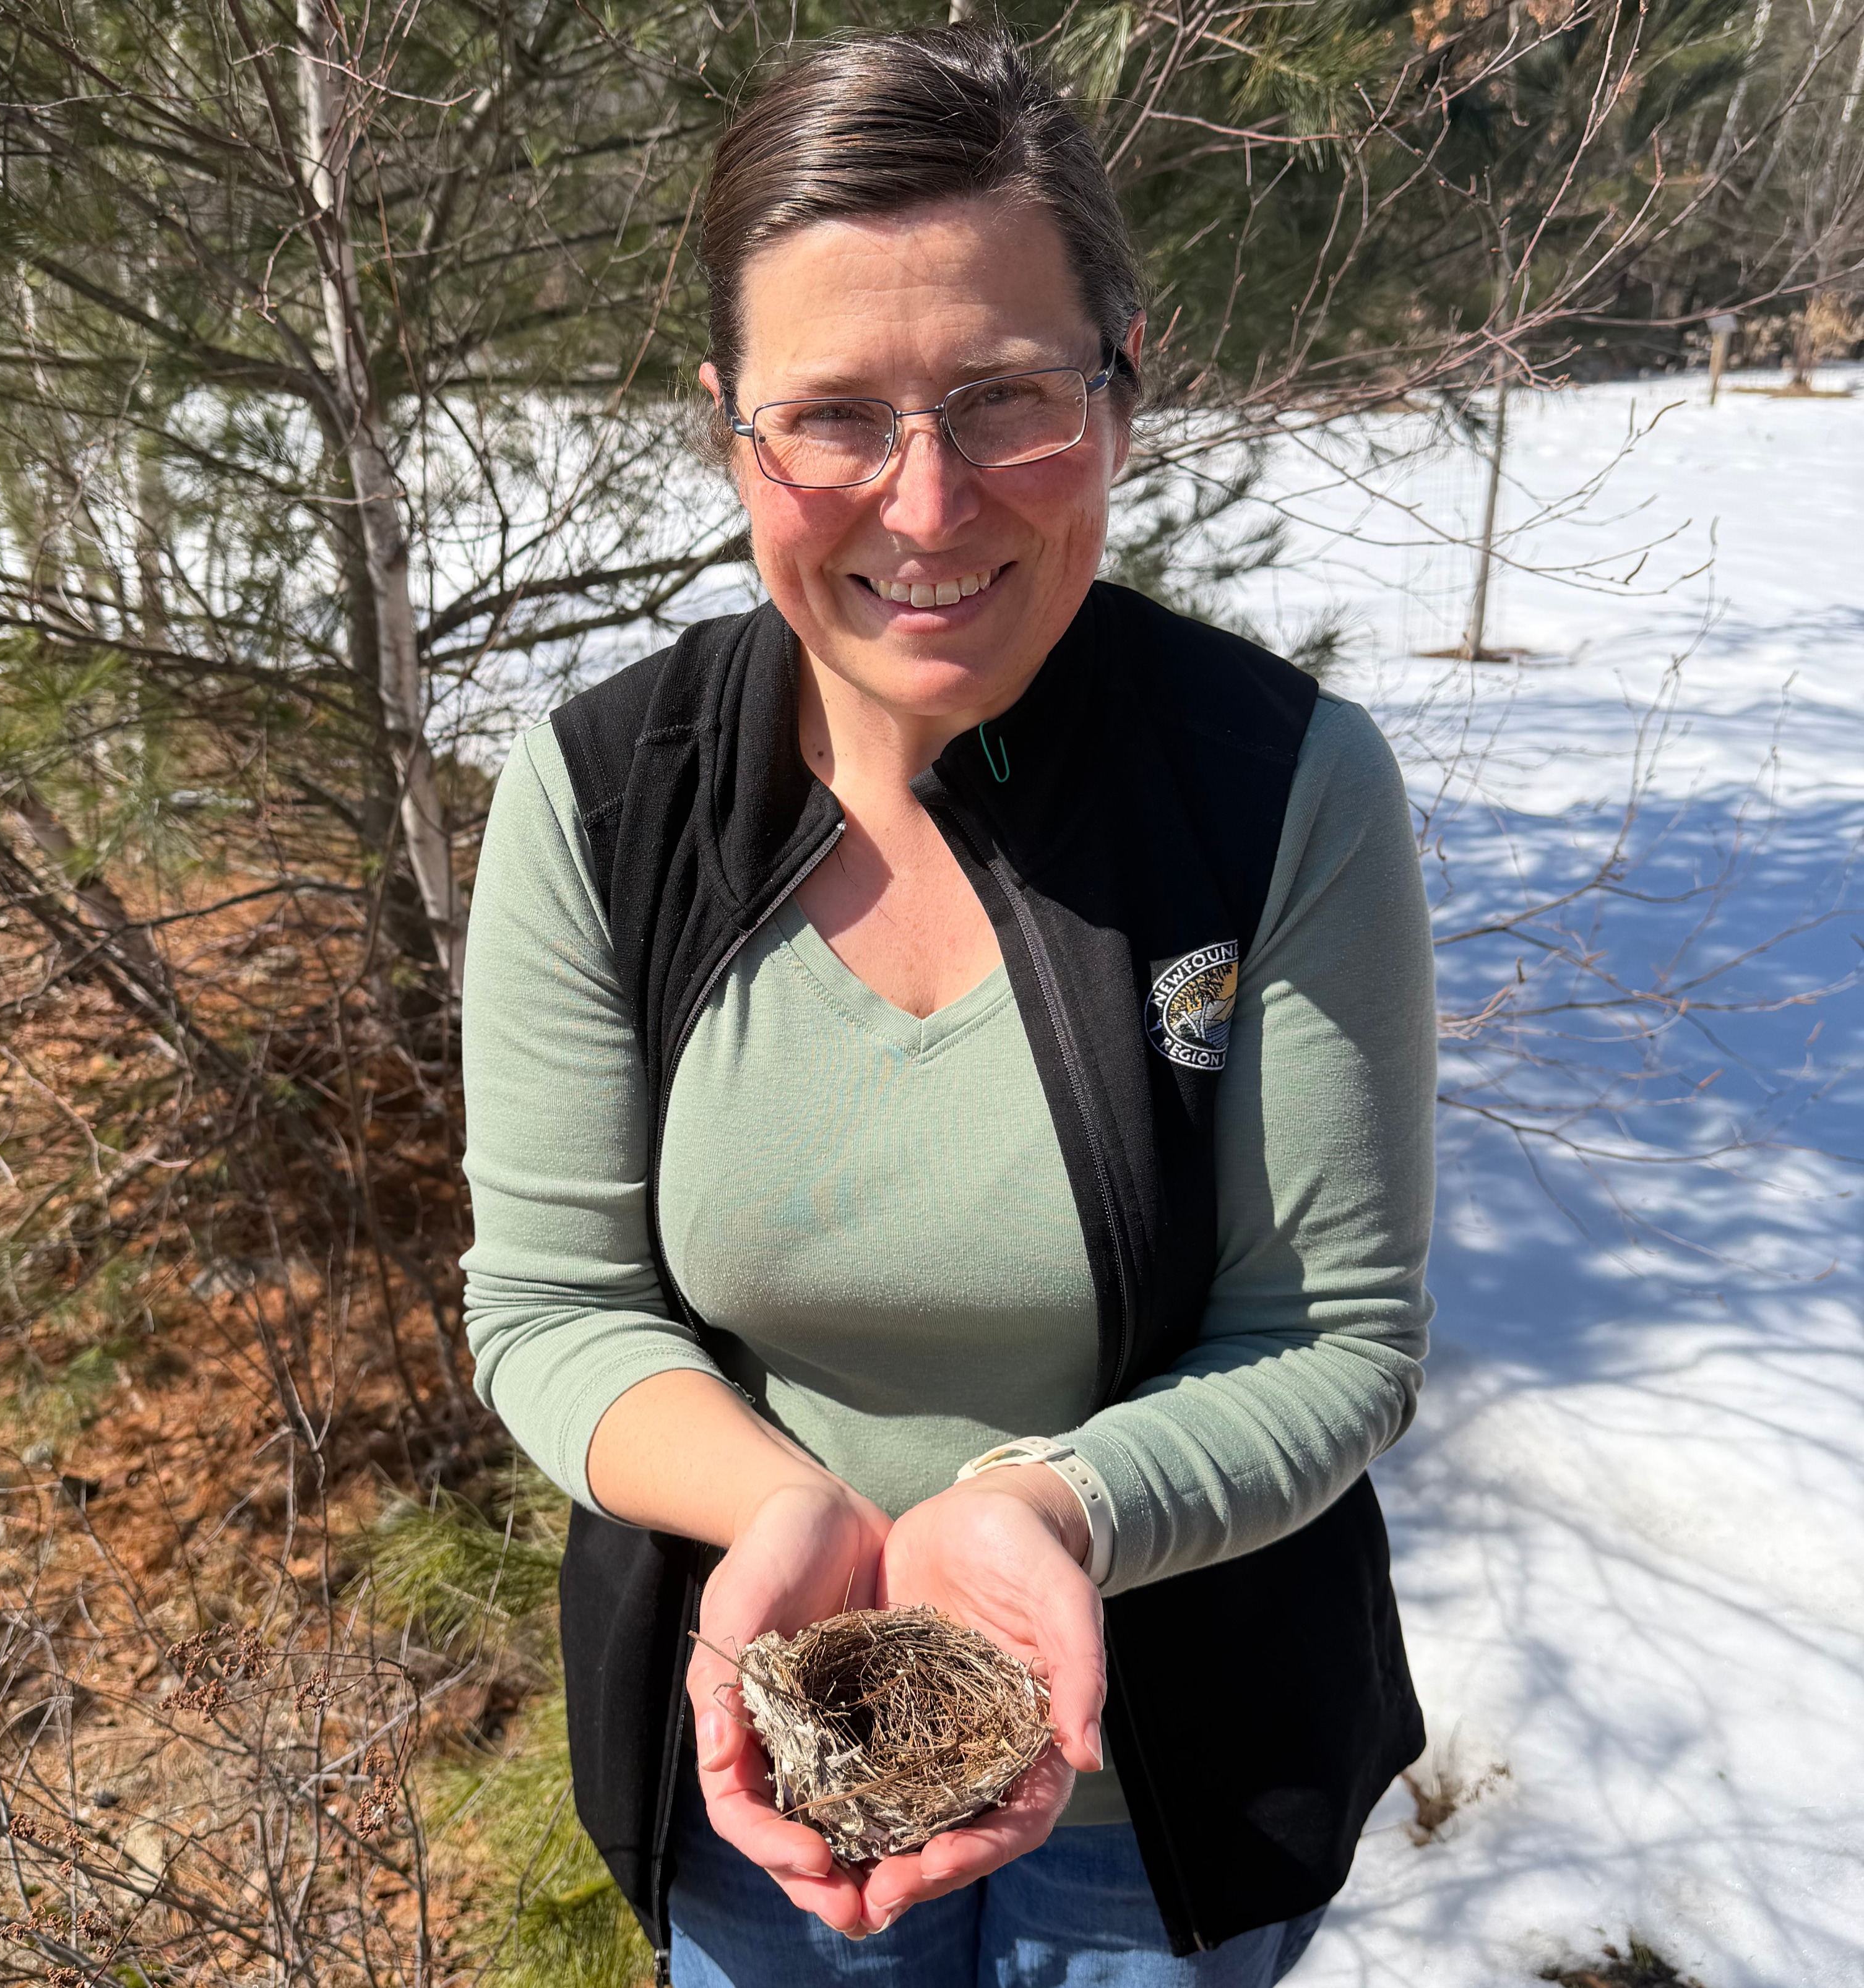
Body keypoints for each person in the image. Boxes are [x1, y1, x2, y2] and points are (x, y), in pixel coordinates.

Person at [461, 24, 1435, 1988]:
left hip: (1166, 1799)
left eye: (1004, 400)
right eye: (831, 416)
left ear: (1124, 390)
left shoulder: (1275, 791)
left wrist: (1051, 1516)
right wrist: (778, 1513)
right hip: (767, 1750)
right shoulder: (604, 799)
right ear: (729, 424)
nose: (924, 508)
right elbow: (550, 1309)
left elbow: (1328, 1341)